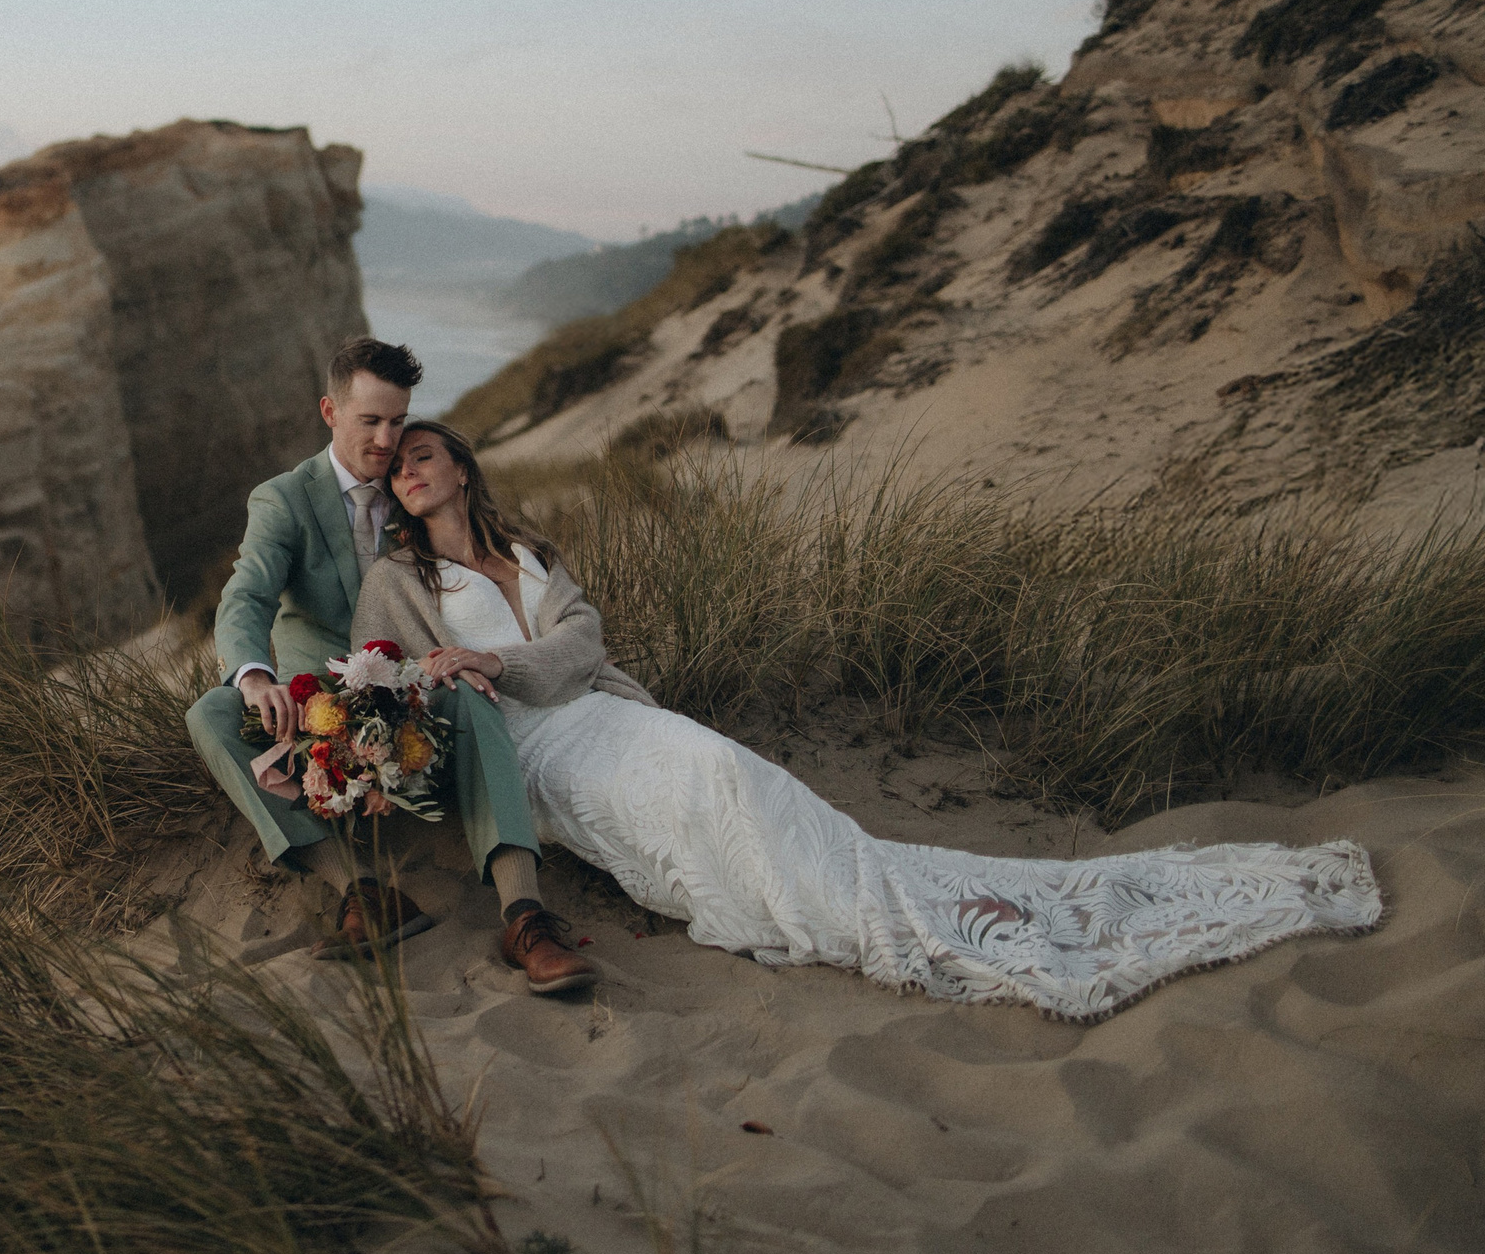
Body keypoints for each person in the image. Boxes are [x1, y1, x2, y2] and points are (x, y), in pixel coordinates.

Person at [352, 419, 1386, 1022]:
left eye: (428, 452)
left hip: (610, 711)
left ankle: (861, 887)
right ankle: (821, 908)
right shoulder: (403, 576)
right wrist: (453, 674)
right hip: (538, 747)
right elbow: (395, 676)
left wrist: (498, 652)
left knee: (733, 772)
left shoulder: (528, 549)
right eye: (398, 464)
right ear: (395, 495)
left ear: (463, 467)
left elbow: (585, 638)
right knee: (705, 791)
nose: (412, 466)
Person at [186, 338, 596, 991]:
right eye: (370, 420)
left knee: (471, 690)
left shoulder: (414, 486)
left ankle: (526, 918)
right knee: (209, 712)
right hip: (322, 707)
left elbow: (477, 552)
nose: (386, 439)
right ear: (330, 411)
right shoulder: (284, 499)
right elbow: (246, 595)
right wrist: (255, 675)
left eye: (398, 420)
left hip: (417, 698)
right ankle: (365, 892)